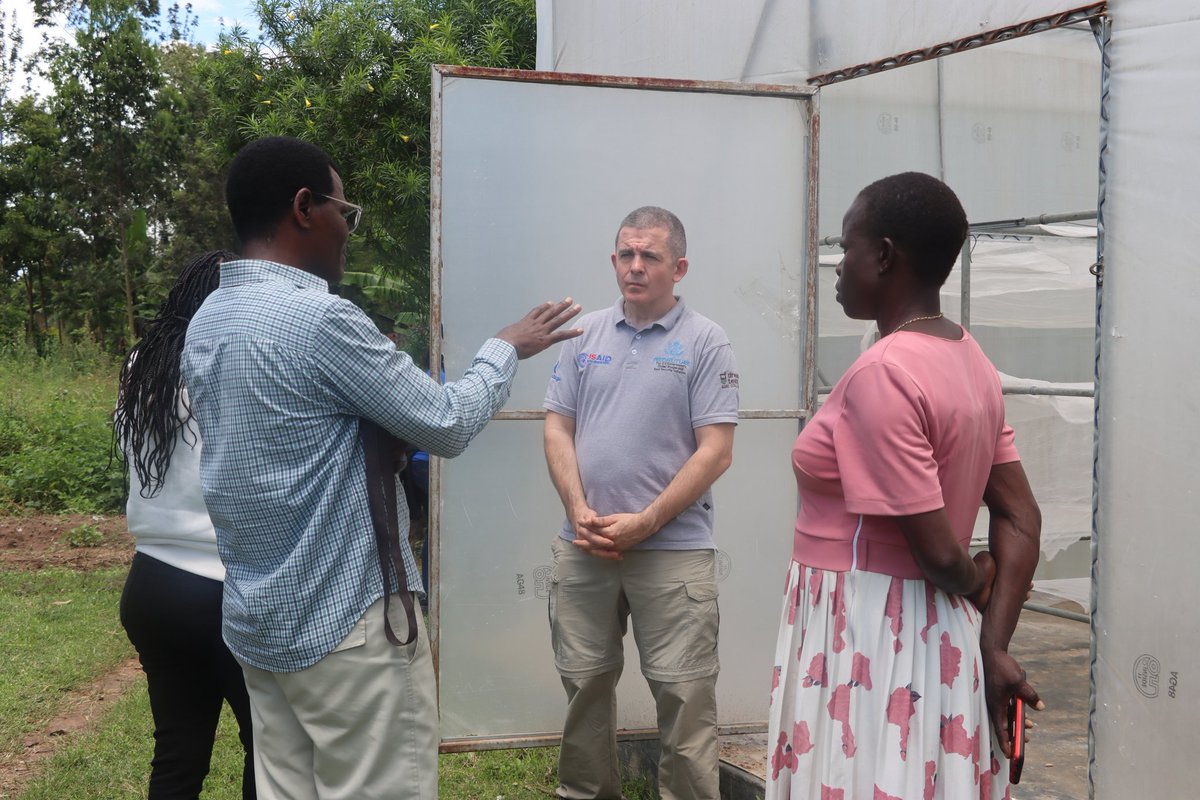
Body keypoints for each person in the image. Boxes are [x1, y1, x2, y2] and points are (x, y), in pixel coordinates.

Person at [180, 136, 582, 800]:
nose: (348, 230)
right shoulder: (320, 320)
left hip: (260, 624)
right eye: (345, 212)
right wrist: (505, 348)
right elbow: (446, 422)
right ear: (304, 208)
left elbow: (290, 438)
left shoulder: (209, 319)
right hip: (347, 627)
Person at [765, 172, 1043, 799]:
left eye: (848, 247)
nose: (839, 265)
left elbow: (940, 555)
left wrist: (976, 579)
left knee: (861, 775)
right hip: (931, 636)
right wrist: (992, 642)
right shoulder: (970, 359)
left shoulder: (885, 373)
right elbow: (1021, 516)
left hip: (868, 632)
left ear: (885, 256)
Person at [543, 206, 739, 800]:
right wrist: (577, 508)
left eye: (650, 256)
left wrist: (648, 520)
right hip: (586, 545)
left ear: (678, 268)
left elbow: (716, 451)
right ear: (613, 260)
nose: (635, 266)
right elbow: (557, 427)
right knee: (584, 687)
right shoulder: (584, 335)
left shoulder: (705, 340)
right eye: (626, 254)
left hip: (673, 551)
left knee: (684, 696)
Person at [113, 250, 255, 800]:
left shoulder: (141, 363)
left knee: (177, 755)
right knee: (269, 750)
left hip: (151, 583)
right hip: (223, 586)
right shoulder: (228, 358)